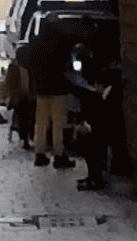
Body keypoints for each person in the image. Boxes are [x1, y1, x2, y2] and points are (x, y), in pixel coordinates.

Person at [66, 41, 124, 190]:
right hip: (99, 114)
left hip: (97, 115)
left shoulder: (92, 72)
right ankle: (95, 177)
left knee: (93, 148)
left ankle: (95, 178)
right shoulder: (103, 70)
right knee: (95, 148)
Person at [24, 13, 76, 169]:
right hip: (59, 90)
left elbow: (30, 65)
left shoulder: (36, 43)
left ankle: (40, 153)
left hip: (41, 90)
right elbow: (67, 66)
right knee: (58, 124)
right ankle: (59, 155)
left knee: (41, 123)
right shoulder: (62, 43)